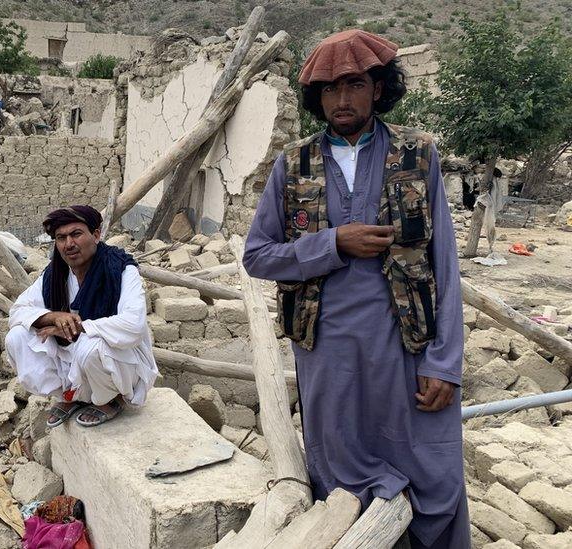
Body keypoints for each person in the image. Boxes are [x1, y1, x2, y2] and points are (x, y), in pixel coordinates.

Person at [243, 30, 468, 548]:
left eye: (354, 84)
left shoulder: (418, 156)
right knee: (343, 480)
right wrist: (332, 244)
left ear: (379, 88)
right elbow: (257, 256)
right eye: (328, 89)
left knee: (435, 474)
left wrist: (444, 363)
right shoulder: (292, 165)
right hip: (329, 354)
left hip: (407, 348)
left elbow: (446, 266)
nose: (341, 100)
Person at [6, 205, 158, 428]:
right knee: (17, 337)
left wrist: (79, 327)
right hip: (74, 355)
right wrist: (53, 317)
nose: (69, 244)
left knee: (89, 346)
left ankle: (111, 399)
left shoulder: (122, 270)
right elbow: (17, 311)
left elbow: (133, 325)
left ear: (96, 235)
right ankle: (72, 396)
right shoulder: (55, 273)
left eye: (76, 234)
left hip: (120, 359)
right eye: (61, 238)